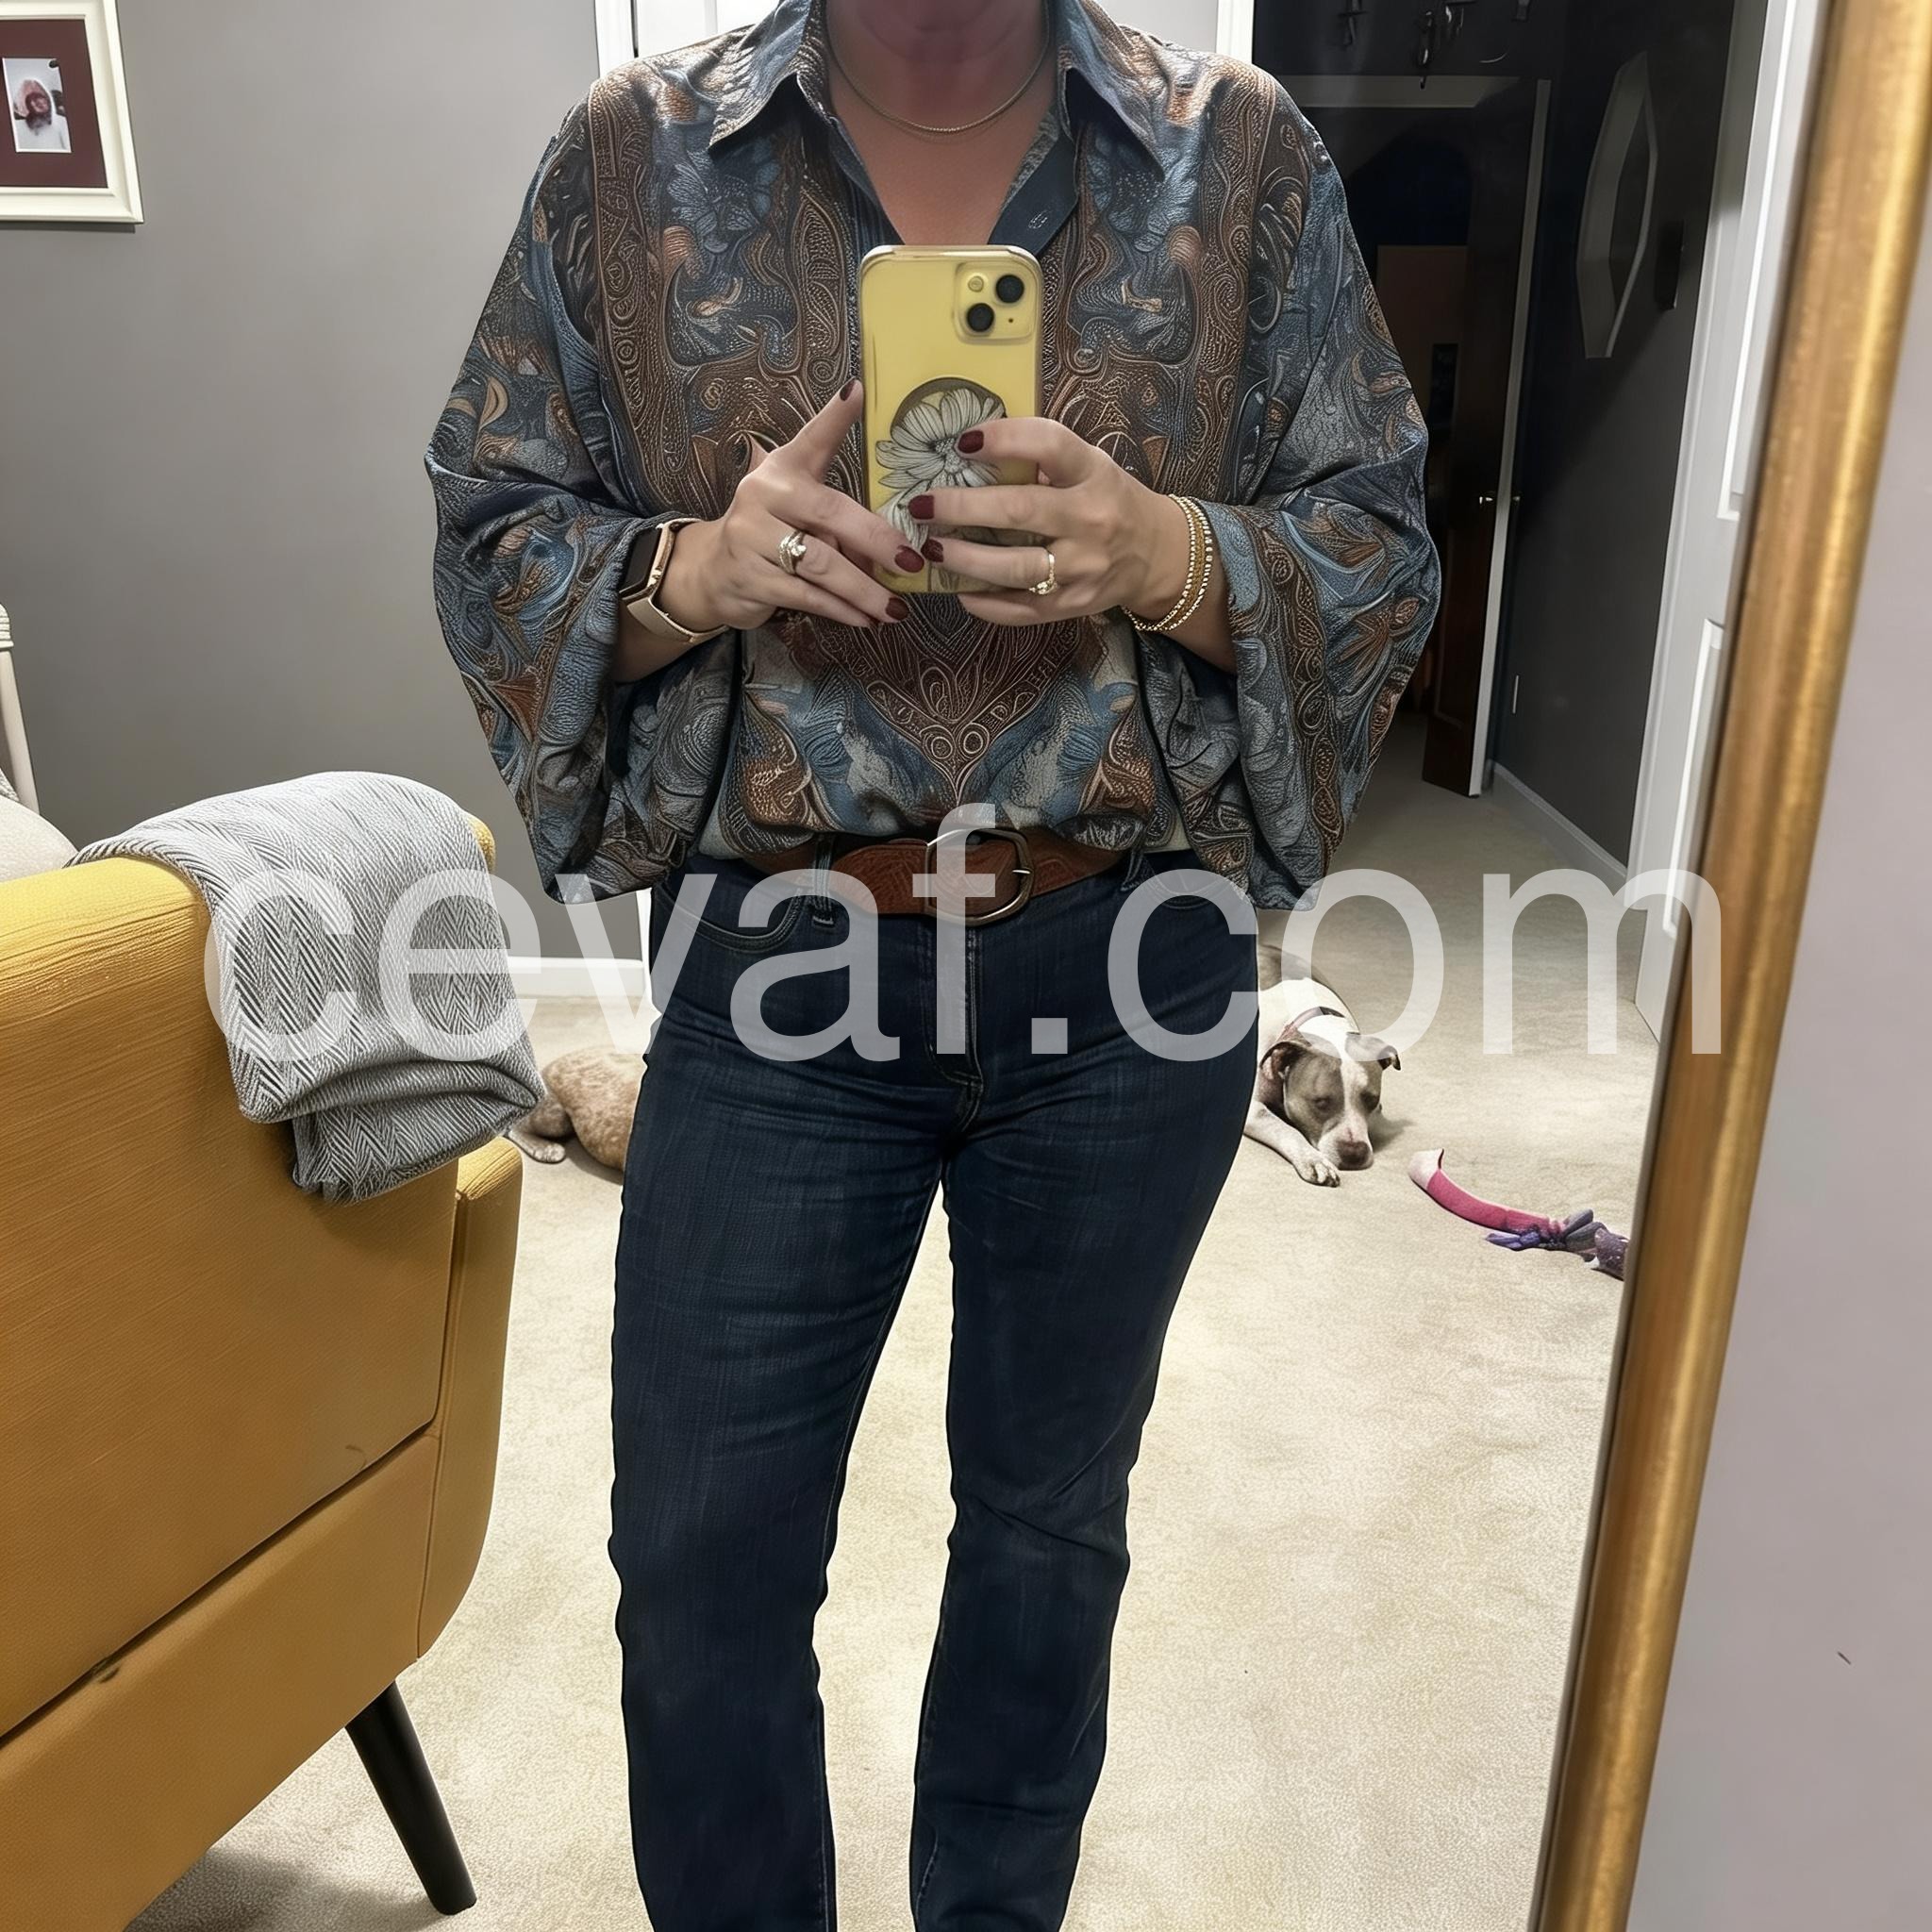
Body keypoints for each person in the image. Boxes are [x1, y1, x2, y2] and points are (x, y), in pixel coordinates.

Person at [428, 2, 1438, 1925]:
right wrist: (690, 575)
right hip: (780, 969)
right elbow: (493, 534)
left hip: (1131, 966)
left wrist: (1167, 553)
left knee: (1049, 1538)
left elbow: (1381, 540)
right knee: (699, 1565)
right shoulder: (628, 159)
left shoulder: (1238, 156)